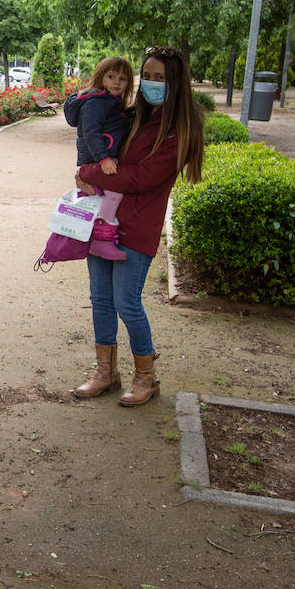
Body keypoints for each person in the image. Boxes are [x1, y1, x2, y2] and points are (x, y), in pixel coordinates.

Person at [71, 47, 204, 406]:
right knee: (100, 298)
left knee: (126, 302)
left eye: (161, 77)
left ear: (175, 82)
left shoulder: (180, 129)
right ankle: (105, 372)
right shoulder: (132, 115)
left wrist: (88, 172)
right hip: (103, 219)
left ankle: (146, 377)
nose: (152, 83)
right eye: (148, 75)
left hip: (138, 224)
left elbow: (144, 177)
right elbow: (92, 135)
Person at [62, 57, 135, 261]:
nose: (116, 82)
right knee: (114, 194)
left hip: (100, 159)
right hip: (97, 160)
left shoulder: (110, 102)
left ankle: (98, 235)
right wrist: (103, 159)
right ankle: (102, 240)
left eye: (123, 79)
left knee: (102, 196)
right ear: (100, 77)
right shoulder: (96, 102)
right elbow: (90, 132)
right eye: (111, 76)